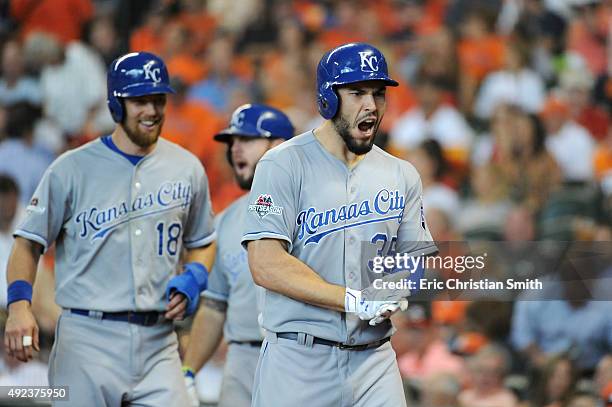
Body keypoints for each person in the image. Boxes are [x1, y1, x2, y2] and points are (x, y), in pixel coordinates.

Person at [3, 51, 216, 406]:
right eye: (140, 101)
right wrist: (20, 306)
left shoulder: (187, 167)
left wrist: (195, 274)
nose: (152, 110)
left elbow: (203, 241)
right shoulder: (71, 169)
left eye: (158, 99)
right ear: (116, 105)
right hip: (87, 338)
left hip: (158, 341)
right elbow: (29, 244)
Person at [241, 42, 438, 407]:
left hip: (374, 358)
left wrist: (395, 285)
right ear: (328, 99)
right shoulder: (282, 165)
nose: (371, 105)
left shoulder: (401, 174)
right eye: (357, 92)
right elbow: (265, 263)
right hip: (299, 361)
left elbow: (415, 260)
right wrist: (350, 298)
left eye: (379, 94)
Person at [182, 103, 295, 407]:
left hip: (299, 356)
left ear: (279, 146)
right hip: (240, 358)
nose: (235, 149)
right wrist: (188, 371)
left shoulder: (314, 213)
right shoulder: (226, 221)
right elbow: (214, 307)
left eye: (246, 140)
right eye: (232, 142)